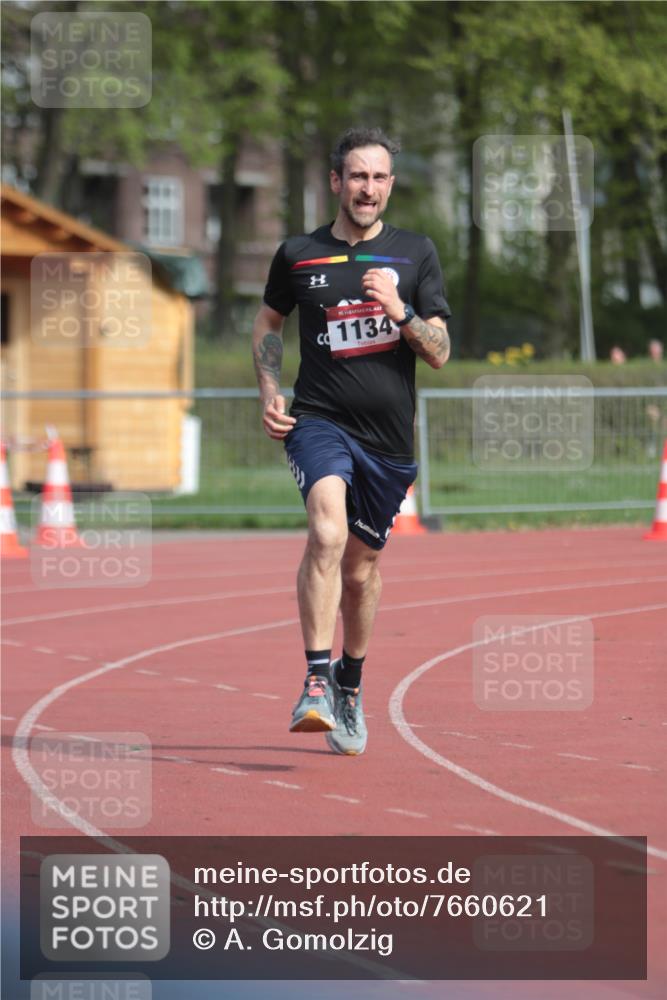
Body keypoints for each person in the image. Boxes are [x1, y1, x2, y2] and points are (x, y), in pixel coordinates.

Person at [251, 126, 451, 755]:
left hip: (388, 442)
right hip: (319, 421)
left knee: (362, 574)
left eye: (380, 178)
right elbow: (268, 320)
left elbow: (441, 352)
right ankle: (315, 677)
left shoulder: (415, 254)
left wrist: (401, 310)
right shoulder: (298, 253)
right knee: (327, 532)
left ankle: (350, 683)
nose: (368, 189)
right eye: (358, 176)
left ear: (391, 185)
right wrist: (268, 385)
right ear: (336, 181)